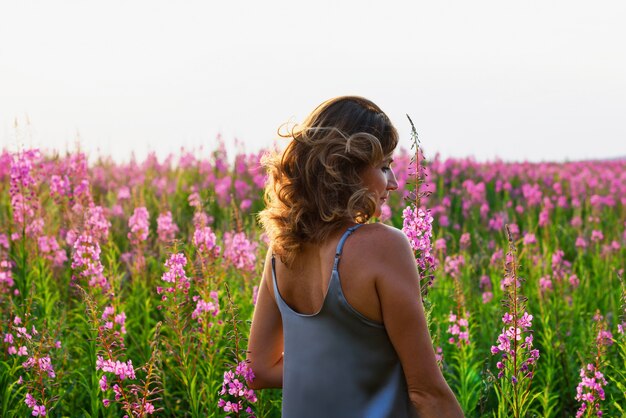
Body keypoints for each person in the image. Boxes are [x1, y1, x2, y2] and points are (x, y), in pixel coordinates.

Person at [248, 96, 463, 417]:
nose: (392, 183)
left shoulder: (281, 253)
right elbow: (427, 394)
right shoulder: (383, 246)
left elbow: (260, 370)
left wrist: (340, 369)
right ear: (344, 168)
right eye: (384, 166)